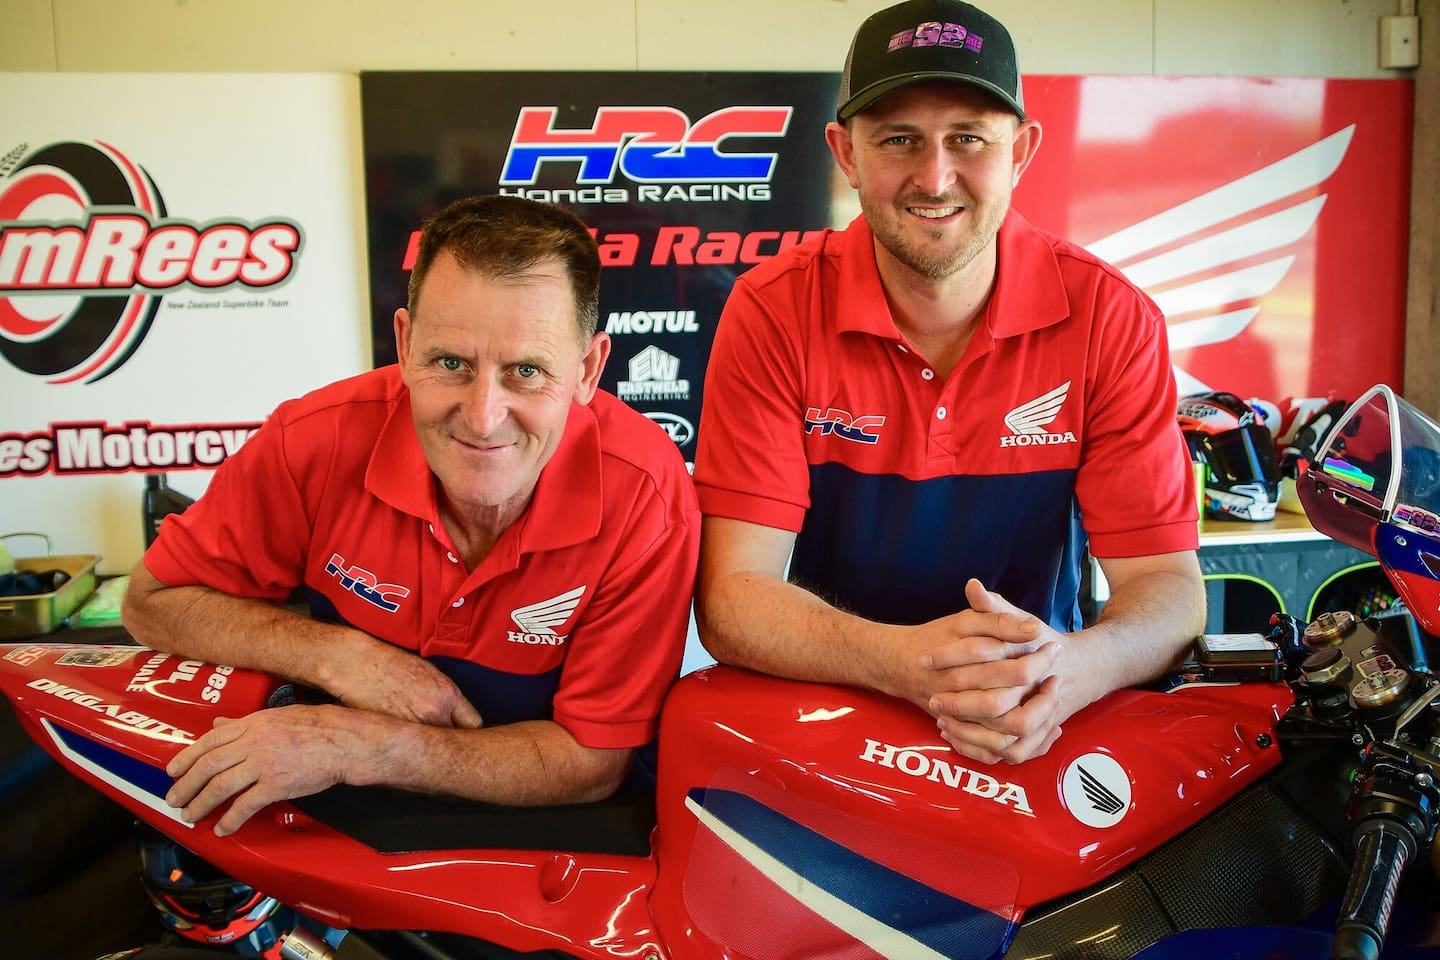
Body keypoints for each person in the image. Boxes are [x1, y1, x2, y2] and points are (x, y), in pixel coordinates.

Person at [693, 0, 1204, 766]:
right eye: (899, 140)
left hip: (1033, 716)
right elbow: (733, 600)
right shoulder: (772, 310)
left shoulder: (1109, 317)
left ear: (1021, 150)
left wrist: (1070, 671)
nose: (935, 177)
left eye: (968, 138)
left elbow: (1169, 588)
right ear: (845, 151)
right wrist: (907, 662)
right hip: (835, 708)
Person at [123, 195, 700, 836]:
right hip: (339, 808)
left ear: (588, 370)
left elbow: (592, 762)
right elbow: (150, 601)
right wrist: (337, 656)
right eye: (450, 363)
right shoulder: (313, 439)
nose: (483, 417)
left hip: (551, 826)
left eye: (527, 372)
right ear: (404, 344)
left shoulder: (645, 493)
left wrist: (368, 746)